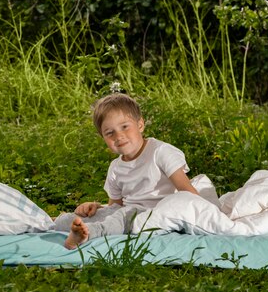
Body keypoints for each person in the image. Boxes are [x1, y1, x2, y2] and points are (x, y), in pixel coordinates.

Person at [54, 93, 199, 249]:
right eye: (110, 133)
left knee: (124, 215)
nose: (119, 136)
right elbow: (115, 206)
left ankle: (86, 235)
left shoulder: (161, 152)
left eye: (124, 127)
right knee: (67, 220)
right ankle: (58, 223)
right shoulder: (115, 168)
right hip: (125, 213)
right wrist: (96, 206)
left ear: (140, 125)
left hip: (155, 214)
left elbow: (189, 195)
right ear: (103, 137)